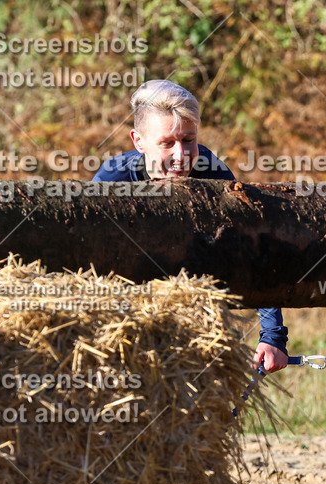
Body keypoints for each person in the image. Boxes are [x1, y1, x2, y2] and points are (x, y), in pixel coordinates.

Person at [94, 79, 288, 372]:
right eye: (166, 143)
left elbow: (254, 247)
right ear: (138, 141)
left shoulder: (211, 170)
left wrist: (273, 337)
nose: (180, 155)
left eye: (188, 140)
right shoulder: (112, 181)